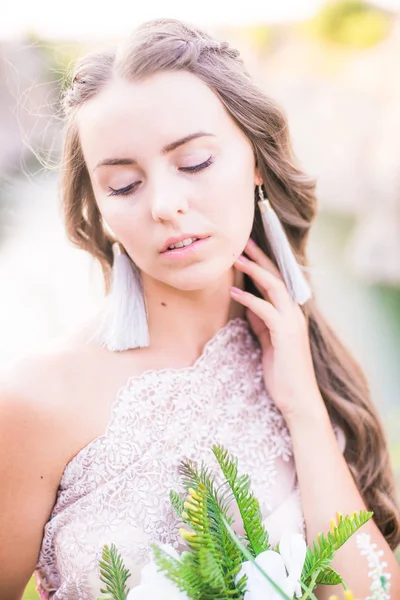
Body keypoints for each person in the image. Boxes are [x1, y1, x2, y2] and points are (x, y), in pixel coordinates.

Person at [0, 17, 399, 600]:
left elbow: (376, 591)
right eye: (124, 185)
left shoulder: (297, 351)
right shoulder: (39, 400)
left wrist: (302, 407)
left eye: (193, 164)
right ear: (100, 209)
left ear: (257, 161)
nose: (165, 205)